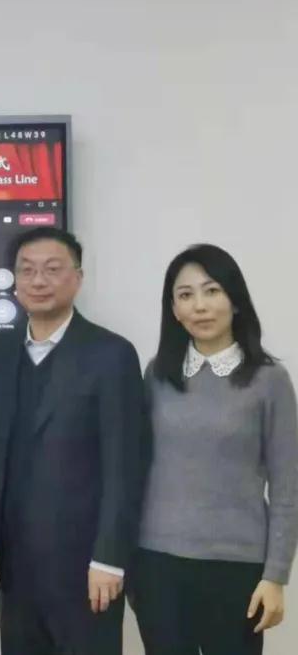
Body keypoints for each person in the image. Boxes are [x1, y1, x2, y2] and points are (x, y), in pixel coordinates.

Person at [0, 227, 149, 655]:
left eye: (52, 269)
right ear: (14, 281)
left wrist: (110, 557)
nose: (38, 281)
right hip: (15, 561)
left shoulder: (111, 354)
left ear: (77, 278)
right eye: (27, 270)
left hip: (86, 565)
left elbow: (125, 463)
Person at [130, 244, 298, 654]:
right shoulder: (157, 374)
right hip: (156, 563)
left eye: (212, 291)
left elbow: (287, 486)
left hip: (236, 567)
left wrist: (275, 576)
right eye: (185, 295)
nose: (200, 306)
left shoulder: (269, 379)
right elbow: (135, 466)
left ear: (235, 301)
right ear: (174, 309)